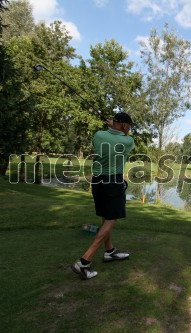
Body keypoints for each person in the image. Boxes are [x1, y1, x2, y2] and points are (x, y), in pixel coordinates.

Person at [71, 112, 135, 280]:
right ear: (123, 125)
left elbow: (110, 136)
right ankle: (84, 261)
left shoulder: (99, 135)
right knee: (111, 220)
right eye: (128, 126)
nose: (129, 129)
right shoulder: (128, 141)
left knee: (106, 216)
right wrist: (117, 128)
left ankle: (109, 251)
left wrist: (111, 127)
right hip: (113, 181)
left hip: (97, 181)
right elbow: (124, 136)